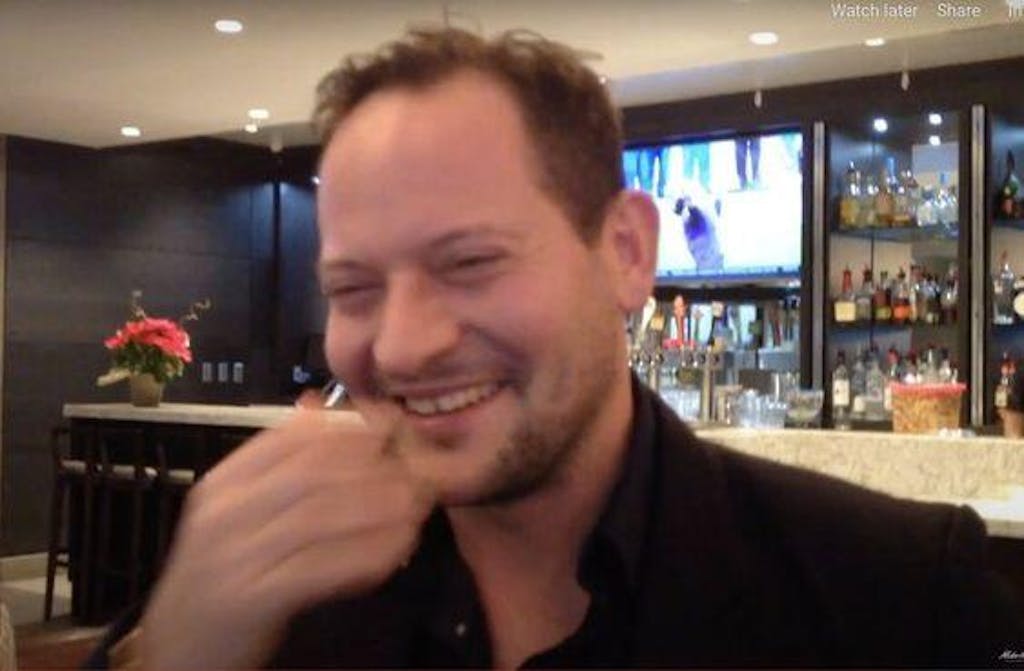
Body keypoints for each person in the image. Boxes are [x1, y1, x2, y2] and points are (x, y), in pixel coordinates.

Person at [89, 27, 1023, 669]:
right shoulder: (275, 599)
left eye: (470, 262)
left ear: (626, 253)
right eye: (353, 288)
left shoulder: (893, 598)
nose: (404, 345)